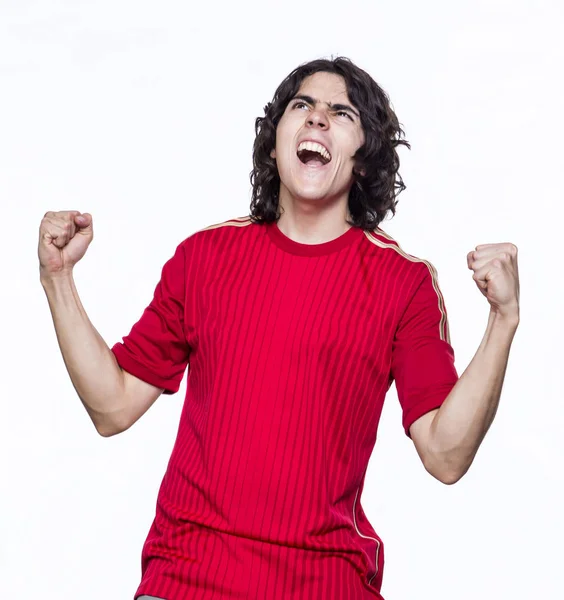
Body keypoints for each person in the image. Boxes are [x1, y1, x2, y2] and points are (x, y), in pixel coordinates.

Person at [38, 57, 520, 600]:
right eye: (301, 106)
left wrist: (503, 321)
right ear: (274, 143)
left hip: (326, 584)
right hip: (188, 579)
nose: (317, 119)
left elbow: (446, 454)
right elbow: (113, 405)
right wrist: (58, 281)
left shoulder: (403, 283)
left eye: (341, 113)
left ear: (364, 161)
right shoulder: (205, 258)